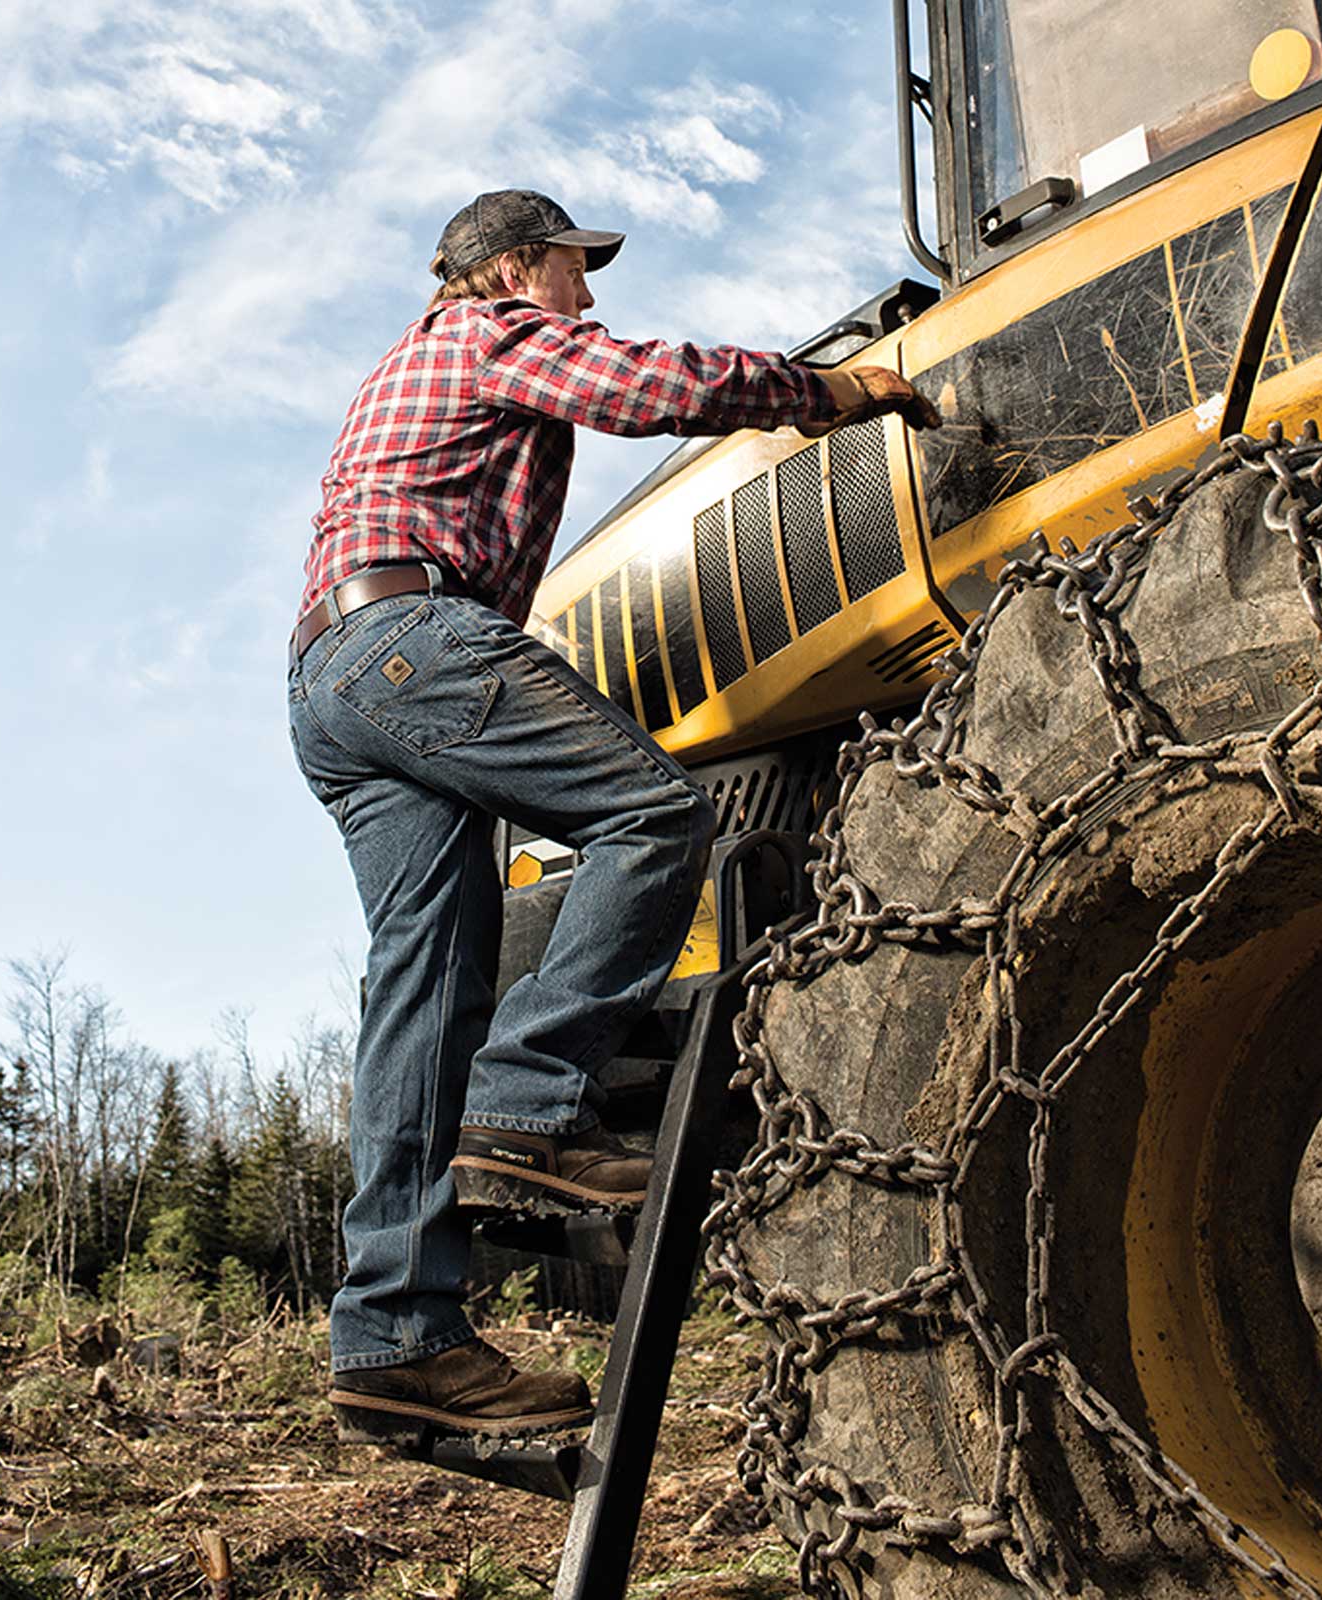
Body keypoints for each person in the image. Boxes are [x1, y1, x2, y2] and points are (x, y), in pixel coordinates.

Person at [287, 189, 940, 1444]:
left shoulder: (397, 372)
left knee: (422, 993)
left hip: (335, 685)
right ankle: (530, 1105)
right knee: (649, 814)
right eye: (576, 272)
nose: (588, 294)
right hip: (415, 642)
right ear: (519, 267)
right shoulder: (486, 332)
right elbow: (653, 387)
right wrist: (838, 396)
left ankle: (395, 1334)